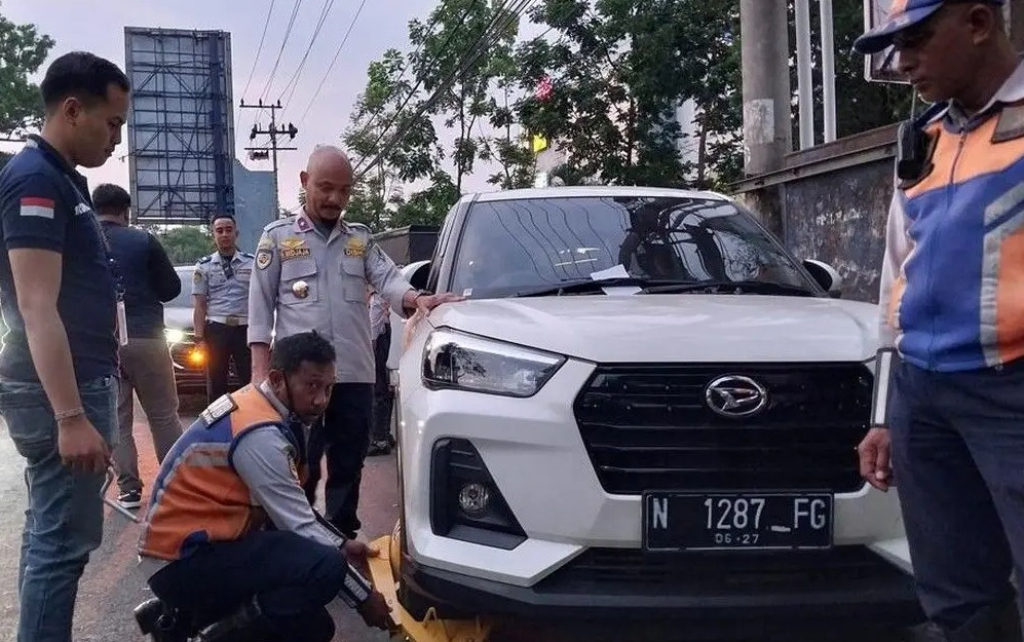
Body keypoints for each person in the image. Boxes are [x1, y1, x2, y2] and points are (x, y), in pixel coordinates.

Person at [853, 2, 1024, 640]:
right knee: (958, 602)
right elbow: (896, 277)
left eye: (917, 40)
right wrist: (884, 414)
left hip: (1011, 391)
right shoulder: (920, 141)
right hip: (924, 397)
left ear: (978, 24)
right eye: (892, 46)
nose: (902, 63)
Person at [247, 145, 461, 538]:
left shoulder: (359, 240)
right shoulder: (277, 238)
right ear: (304, 182)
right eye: (326, 188)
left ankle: (342, 537)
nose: (335, 199)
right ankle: (293, 537)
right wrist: (261, 377)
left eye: (344, 191)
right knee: (299, 462)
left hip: (353, 373)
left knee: (349, 462)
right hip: (298, 381)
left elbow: (388, 278)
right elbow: (259, 309)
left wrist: (417, 299)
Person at [136, 331, 390, 642]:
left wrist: (343, 544)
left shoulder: (256, 404)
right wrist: (365, 600)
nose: (322, 400)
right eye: (311, 386)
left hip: (195, 550)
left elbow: (292, 509)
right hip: (182, 562)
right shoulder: (261, 435)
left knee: (313, 625)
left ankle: (184, 619)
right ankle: (207, 633)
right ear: (277, 378)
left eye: (328, 387)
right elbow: (299, 525)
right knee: (325, 568)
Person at [0, 52, 130, 642]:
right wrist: (71, 416)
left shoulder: (59, 178)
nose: (116, 140)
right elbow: (35, 304)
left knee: (49, 534)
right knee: (62, 546)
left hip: (70, 383)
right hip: (62, 391)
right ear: (73, 109)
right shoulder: (35, 180)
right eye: (111, 124)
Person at [93, 183, 183, 511]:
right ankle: (176, 485)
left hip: (103, 343)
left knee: (118, 420)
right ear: (125, 211)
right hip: (147, 336)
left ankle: (129, 490)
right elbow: (171, 288)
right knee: (163, 415)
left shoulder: (83, 240)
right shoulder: (143, 240)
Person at [192, 214, 255, 403]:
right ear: (213, 235)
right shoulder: (203, 266)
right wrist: (198, 338)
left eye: (228, 230)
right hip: (217, 329)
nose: (224, 234)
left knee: (249, 380)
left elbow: (259, 299)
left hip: (245, 329)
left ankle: (249, 422)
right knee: (216, 381)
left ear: (236, 233)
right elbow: (199, 304)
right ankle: (218, 427)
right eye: (219, 231)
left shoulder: (252, 263)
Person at [368, 287, 395, 456]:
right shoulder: (377, 297)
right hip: (382, 342)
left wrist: (370, 344)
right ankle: (382, 434)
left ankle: (379, 439)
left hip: (378, 343)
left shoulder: (376, 298)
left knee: (379, 389)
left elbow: (373, 325)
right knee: (383, 389)